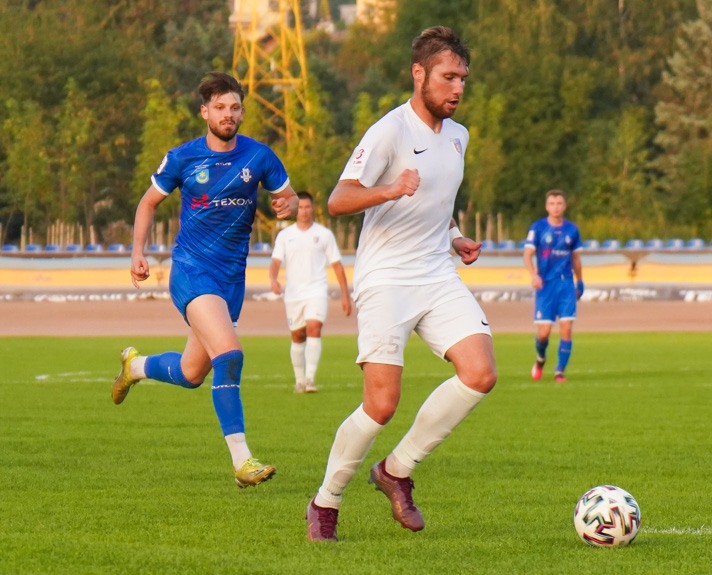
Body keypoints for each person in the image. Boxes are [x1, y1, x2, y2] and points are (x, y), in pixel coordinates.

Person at [304, 26, 496, 542]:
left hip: (436, 271)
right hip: (385, 277)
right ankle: (326, 501)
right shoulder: (388, 130)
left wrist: (455, 237)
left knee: (479, 373)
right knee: (382, 405)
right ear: (419, 74)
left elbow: (437, 201)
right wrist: (389, 189)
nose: (457, 88)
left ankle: (396, 471)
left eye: (463, 79)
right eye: (448, 77)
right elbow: (338, 200)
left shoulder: (459, 136)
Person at [111, 72, 298, 488]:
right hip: (193, 271)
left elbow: (290, 195)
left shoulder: (260, 157)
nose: (227, 114)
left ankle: (135, 366)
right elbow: (147, 202)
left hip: (232, 280)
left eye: (234, 107)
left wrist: (290, 202)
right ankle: (242, 461)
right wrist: (137, 252)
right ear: (204, 112)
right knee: (229, 355)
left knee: (193, 373)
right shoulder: (182, 158)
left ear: (242, 111)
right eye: (219, 108)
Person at [269, 192, 352, 393]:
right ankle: (299, 380)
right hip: (293, 294)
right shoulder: (285, 236)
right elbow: (275, 262)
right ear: (296, 209)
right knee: (298, 337)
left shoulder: (324, 234)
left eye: (308, 207)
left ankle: (309, 379)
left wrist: (345, 295)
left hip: (317, 290)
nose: (304, 211)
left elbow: (337, 265)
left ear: (312, 208)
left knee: (314, 328)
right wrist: (273, 279)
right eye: (301, 207)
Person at [523, 190, 584, 383]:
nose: (556, 207)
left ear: (564, 206)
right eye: (552, 203)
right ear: (547, 206)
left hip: (566, 283)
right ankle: (541, 358)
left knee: (566, 328)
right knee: (544, 333)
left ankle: (559, 371)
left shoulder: (572, 230)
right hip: (545, 285)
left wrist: (580, 281)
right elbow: (527, 254)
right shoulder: (539, 228)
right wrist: (533, 276)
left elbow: (576, 257)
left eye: (559, 203)